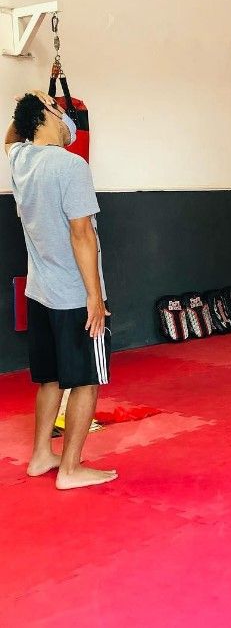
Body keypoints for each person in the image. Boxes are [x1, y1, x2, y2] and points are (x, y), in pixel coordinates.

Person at [5, 90, 116, 490]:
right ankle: (70, 468)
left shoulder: (20, 159)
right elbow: (81, 232)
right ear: (47, 115)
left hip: (39, 292)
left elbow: (10, 138)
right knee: (86, 380)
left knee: (50, 378)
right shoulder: (71, 165)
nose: (68, 120)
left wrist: (29, 106)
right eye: (60, 111)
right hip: (72, 295)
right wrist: (95, 298)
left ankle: (41, 456)